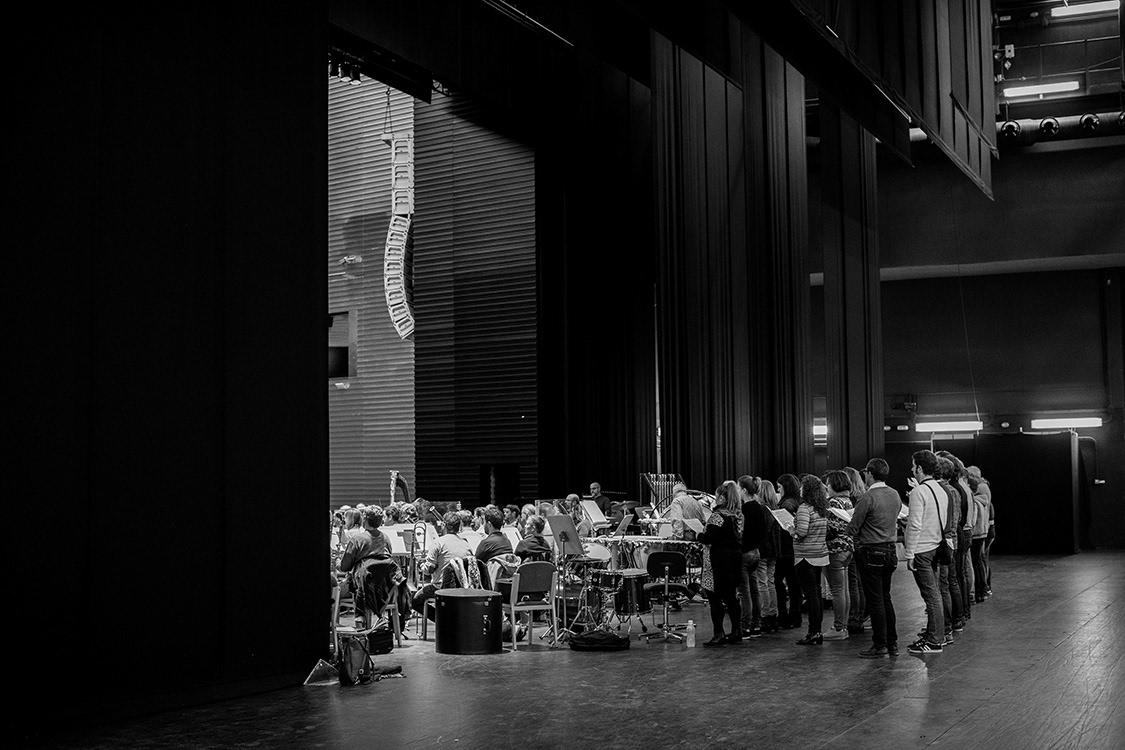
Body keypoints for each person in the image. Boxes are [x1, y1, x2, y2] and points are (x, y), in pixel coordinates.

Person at [847, 458, 901, 658]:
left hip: (871, 551)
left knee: (875, 600)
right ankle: (892, 642)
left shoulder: (867, 497)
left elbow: (854, 526)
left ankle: (880, 645)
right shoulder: (894, 494)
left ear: (869, 474)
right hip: (890, 550)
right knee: (886, 598)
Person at [904, 450, 946, 654]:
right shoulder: (940, 490)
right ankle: (934, 636)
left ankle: (935, 639)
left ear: (920, 468)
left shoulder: (919, 492)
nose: (912, 470)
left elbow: (914, 525)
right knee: (934, 593)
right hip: (936, 545)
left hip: (921, 549)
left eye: (913, 466)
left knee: (931, 596)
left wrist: (909, 553)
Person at [698, 480, 745, 646]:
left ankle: (718, 633)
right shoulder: (736, 516)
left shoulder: (717, 516)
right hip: (734, 561)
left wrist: (699, 535)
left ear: (722, 498)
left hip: (718, 562)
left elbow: (709, 537)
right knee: (731, 597)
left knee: (714, 598)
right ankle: (736, 631)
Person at [337, 506, 394, 629]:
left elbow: (344, 567)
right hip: (385, 591)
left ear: (365, 519)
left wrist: (337, 562)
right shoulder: (386, 539)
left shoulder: (357, 539)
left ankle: (336, 630)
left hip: (362, 590)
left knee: (333, 591)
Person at [412, 511, 474, 616]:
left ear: (444, 525)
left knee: (415, 601)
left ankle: (440, 620)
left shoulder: (438, 543)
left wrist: (420, 565)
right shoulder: (466, 544)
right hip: (462, 587)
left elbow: (429, 569)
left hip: (441, 587)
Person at [791, 475, 829, 646]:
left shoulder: (804, 508)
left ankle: (813, 632)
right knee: (817, 593)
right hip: (820, 554)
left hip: (806, 556)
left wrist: (791, 530)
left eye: (802, 487)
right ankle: (817, 630)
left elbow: (802, 532)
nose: (799, 489)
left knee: (811, 594)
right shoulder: (821, 508)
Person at [822, 470, 855, 640]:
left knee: (837, 590)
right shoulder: (847, 501)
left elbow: (831, 529)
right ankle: (843, 626)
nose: (826, 487)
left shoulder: (833, 502)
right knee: (844, 589)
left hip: (835, 549)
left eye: (827, 483)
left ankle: (838, 627)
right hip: (848, 548)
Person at [736, 475, 766, 638]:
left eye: (739, 489)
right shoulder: (760, 508)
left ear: (744, 490)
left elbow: (741, 533)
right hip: (756, 552)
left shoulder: (745, 510)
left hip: (745, 552)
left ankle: (745, 626)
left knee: (744, 592)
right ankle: (756, 625)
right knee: (755, 591)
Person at [775, 473, 803, 630]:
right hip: (795, 548)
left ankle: (784, 614)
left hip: (785, 548)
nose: (778, 490)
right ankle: (795, 614)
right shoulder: (798, 501)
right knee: (794, 584)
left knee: (778, 581)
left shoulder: (787, 504)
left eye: (779, 487)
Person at [757, 479, 782, 633]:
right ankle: (773, 613)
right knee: (770, 582)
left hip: (764, 550)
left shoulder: (762, 510)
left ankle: (766, 615)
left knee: (762, 583)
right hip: (774, 550)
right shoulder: (776, 508)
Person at [966, 465, 994, 598]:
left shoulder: (979, 492)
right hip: (983, 530)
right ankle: (984, 589)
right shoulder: (983, 492)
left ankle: (980, 590)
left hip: (978, 531)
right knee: (981, 561)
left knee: (978, 561)